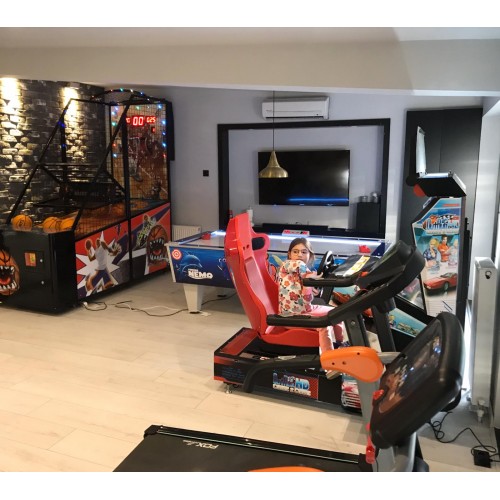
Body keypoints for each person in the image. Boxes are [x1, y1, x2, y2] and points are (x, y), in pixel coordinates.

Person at [277, 237, 347, 359]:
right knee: (324, 325)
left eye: (304, 252)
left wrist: (311, 286)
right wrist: (311, 281)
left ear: (310, 255)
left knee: (337, 312)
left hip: (305, 309)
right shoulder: (287, 265)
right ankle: (329, 359)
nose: (299, 255)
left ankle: (339, 344)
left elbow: (305, 296)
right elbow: (301, 269)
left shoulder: (303, 272)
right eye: (295, 251)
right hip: (291, 316)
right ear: (289, 254)